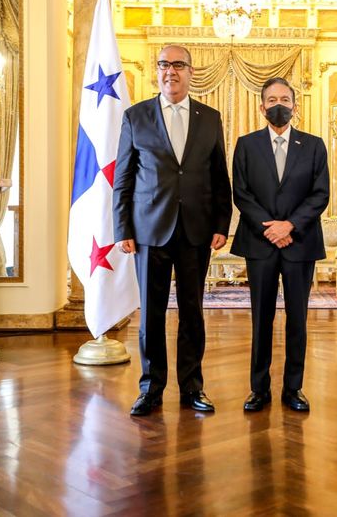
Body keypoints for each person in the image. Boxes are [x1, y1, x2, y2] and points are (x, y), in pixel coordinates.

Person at [113, 44, 232, 416]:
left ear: (190, 72)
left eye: (178, 65)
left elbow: (219, 176)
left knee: (193, 313)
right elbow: (124, 179)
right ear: (157, 71)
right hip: (149, 231)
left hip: (197, 231)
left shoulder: (210, 118)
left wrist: (221, 223)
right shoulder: (136, 117)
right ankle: (150, 389)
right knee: (151, 314)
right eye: (164, 65)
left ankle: (193, 387)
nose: (171, 72)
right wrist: (123, 229)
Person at [231, 77, 330, 412]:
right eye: (271, 99)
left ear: (294, 106)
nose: (278, 105)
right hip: (260, 245)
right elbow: (241, 194)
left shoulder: (314, 145)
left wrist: (290, 225)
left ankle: (294, 388)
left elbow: (321, 194)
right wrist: (270, 229)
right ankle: (259, 389)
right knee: (262, 317)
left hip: (299, 243)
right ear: (261, 107)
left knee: (297, 318)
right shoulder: (245, 145)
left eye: (285, 99)